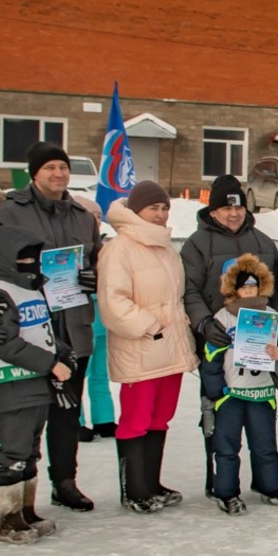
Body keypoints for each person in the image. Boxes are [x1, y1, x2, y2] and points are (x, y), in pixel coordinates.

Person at [0, 142, 101, 512]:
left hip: (73, 326)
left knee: (67, 411)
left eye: (63, 167)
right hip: (29, 327)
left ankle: (65, 482)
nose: (58, 174)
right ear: (33, 173)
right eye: (50, 168)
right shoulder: (7, 213)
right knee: (27, 414)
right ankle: (20, 493)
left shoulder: (81, 215)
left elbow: (94, 258)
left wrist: (93, 278)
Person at [180, 173, 278, 497]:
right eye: (226, 209)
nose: (233, 214)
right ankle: (219, 479)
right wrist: (203, 323)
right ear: (212, 212)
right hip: (219, 339)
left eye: (238, 208)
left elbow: (277, 287)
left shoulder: (262, 241)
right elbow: (188, 289)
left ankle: (266, 477)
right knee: (218, 414)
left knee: (260, 421)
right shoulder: (198, 244)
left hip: (258, 344)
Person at [99, 181, 198, 512]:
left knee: (160, 418)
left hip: (170, 347)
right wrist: (150, 326)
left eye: (163, 208)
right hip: (141, 347)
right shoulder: (120, 249)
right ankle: (134, 489)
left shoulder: (167, 249)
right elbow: (113, 302)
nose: (159, 214)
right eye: (153, 208)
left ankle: (151, 482)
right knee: (136, 419)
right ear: (136, 211)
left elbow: (175, 298)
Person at [0, 225, 75, 544]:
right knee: (14, 449)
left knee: (31, 448)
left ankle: (25, 510)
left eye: (35, 259)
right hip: (13, 383)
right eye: (23, 260)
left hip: (37, 382)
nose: (31, 265)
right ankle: (5, 518)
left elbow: (41, 332)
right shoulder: (1, 292)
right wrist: (50, 363)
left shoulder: (32, 290)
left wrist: (61, 350)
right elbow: (4, 343)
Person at [201, 255, 278, 514]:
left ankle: (269, 485)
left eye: (253, 287)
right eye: (244, 287)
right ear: (233, 289)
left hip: (262, 390)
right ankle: (227, 492)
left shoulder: (271, 315)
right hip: (232, 391)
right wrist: (215, 389)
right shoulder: (223, 317)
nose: (249, 291)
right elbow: (211, 356)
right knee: (227, 446)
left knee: (264, 443)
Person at [73, 197, 114, 444]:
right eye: (91, 214)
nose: (96, 220)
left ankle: (104, 419)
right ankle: (76, 422)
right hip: (81, 321)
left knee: (101, 373)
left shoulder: (105, 247)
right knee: (79, 374)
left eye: (99, 215)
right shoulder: (74, 248)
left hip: (103, 322)